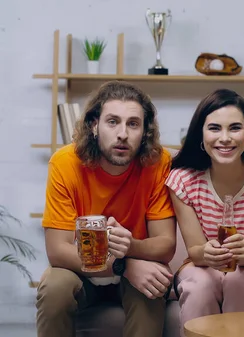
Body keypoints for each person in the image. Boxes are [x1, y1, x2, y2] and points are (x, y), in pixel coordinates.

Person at [36, 81, 177, 337]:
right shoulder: (65, 163)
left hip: (135, 267)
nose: (122, 133)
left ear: (145, 131)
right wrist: (124, 265)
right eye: (113, 122)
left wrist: (131, 247)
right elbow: (57, 251)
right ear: (94, 125)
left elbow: (166, 244)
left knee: (152, 285)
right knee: (55, 287)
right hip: (80, 269)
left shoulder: (159, 162)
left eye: (133, 124)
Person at [165, 89, 244, 329]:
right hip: (205, 265)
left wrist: (243, 252)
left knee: (237, 279)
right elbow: (194, 251)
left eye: (234, 128)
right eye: (214, 128)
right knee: (200, 283)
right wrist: (207, 252)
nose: (224, 138)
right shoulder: (183, 180)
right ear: (200, 136)